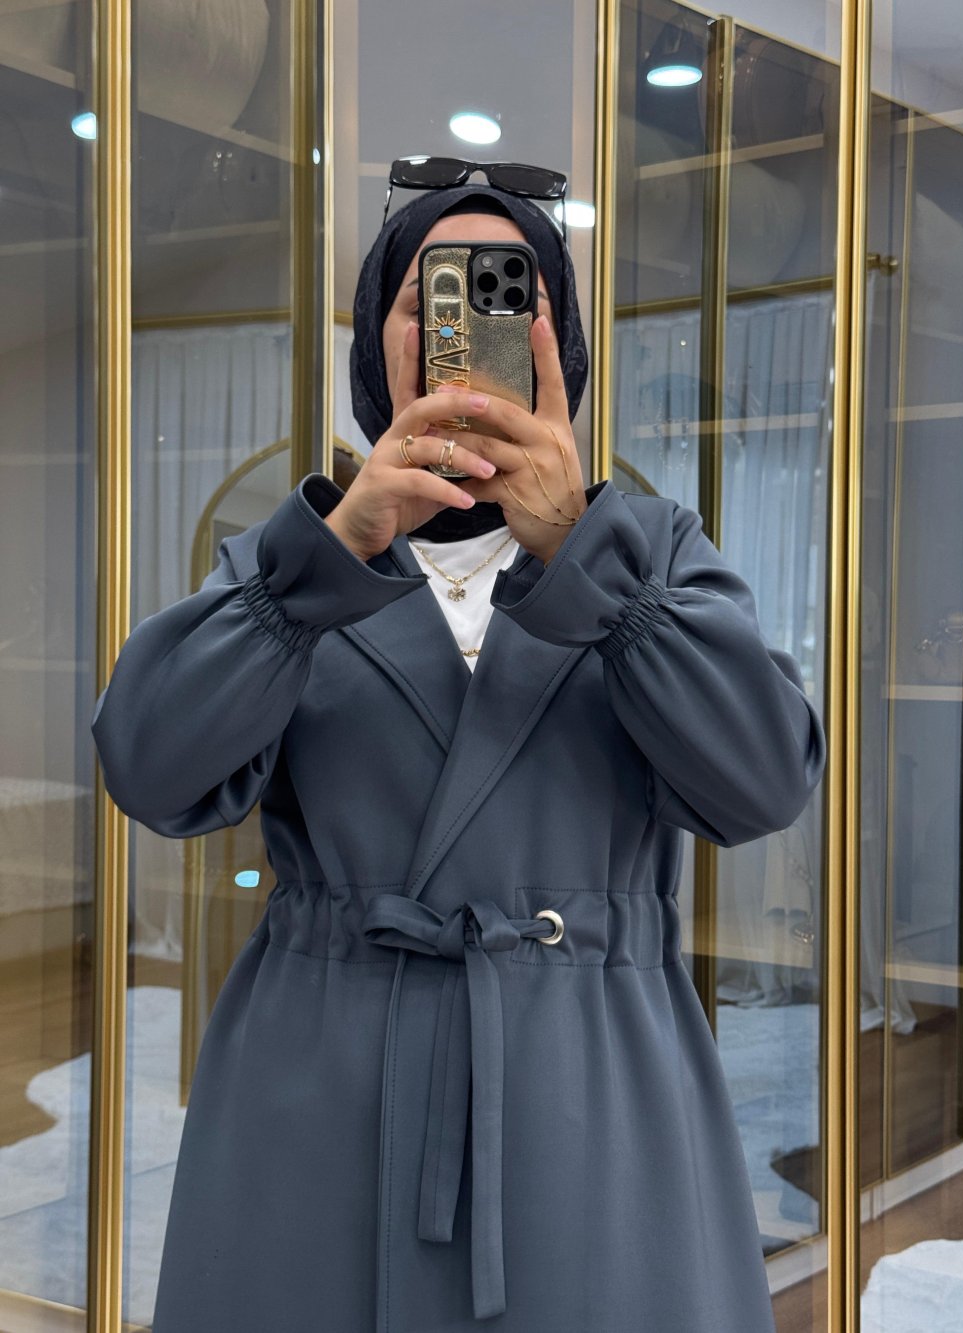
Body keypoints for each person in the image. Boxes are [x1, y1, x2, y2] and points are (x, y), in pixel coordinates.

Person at [91, 179, 827, 1333]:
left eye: (509, 294)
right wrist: (333, 552)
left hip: (588, 1086)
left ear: (553, 344)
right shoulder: (295, 557)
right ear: (379, 341)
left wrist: (581, 552)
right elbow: (149, 765)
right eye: (431, 295)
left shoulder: (647, 551)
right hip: (320, 1083)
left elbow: (764, 780)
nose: (470, 326)